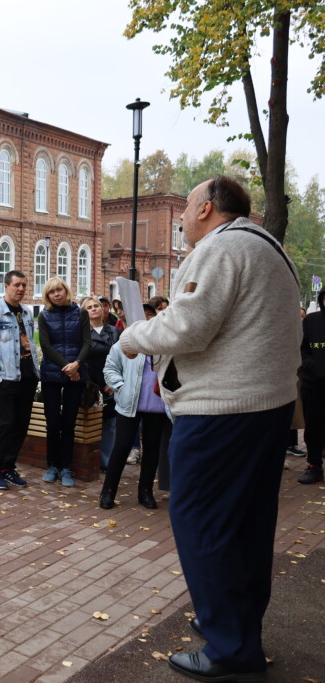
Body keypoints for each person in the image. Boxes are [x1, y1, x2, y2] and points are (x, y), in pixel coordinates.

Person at [119, 176, 301, 682]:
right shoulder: (269, 248)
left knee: (202, 522)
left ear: (206, 208)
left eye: (185, 206)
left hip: (221, 413)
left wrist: (133, 336)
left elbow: (187, 326)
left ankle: (230, 649)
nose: (180, 216)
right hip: (266, 407)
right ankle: (236, 624)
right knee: (248, 525)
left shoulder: (221, 248)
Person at [99, 304, 168, 511]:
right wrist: (120, 386)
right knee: (121, 447)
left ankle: (145, 492)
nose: (147, 320)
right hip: (129, 404)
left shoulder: (165, 344)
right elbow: (110, 368)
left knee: (152, 450)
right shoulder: (124, 343)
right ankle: (108, 491)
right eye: (142, 316)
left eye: (150, 316)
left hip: (157, 406)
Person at [0, 270, 39, 490]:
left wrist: (36, 372)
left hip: (27, 377)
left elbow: (30, 343)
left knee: (20, 426)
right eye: (16, 285)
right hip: (6, 378)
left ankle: (8, 468)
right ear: (6, 286)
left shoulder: (26, 312)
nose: (21, 289)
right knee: (5, 426)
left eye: (24, 285)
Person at [37, 277, 90, 487]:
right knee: (52, 423)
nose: (56, 294)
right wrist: (69, 367)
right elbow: (45, 346)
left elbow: (87, 343)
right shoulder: (44, 315)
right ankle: (52, 465)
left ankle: (66, 467)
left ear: (66, 290)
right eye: (52, 292)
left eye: (59, 290)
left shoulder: (81, 313)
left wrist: (77, 364)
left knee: (69, 423)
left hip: (76, 374)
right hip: (52, 375)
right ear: (47, 296)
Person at [81, 296, 120, 472]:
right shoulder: (81, 333)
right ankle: (87, 460)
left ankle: (106, 461)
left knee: (109, 424)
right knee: (88, 422)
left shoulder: (114, 332)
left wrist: (115, 382)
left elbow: (123, 358)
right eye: (89, 307)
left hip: (109, 385)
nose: (94, 309)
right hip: (89, 385)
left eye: (96, 305)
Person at [297, 288, 325, 484]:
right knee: (313, 427)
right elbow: (301, 349)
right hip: (313, 385)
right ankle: (314, 466)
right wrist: (313, 366)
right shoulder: (311, 321)